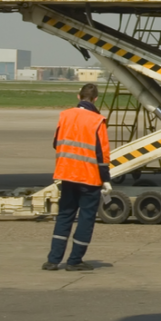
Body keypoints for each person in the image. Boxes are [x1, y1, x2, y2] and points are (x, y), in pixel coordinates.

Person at [43, 83, 111, 272]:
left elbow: (56, 143)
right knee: (86, 218)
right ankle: (75, 260)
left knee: (64, 216)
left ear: (78, 96)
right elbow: (102, 155)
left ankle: (53, 260)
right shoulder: (97, 120)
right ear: (95, 99)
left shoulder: (65, 116)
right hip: (89, 177)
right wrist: (106, 179)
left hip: (67, 174)